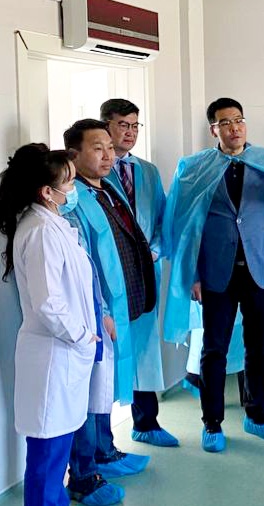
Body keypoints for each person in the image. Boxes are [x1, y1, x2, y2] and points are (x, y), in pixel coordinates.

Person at [162, 97, 264, 454]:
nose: (234, 127)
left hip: (259, 269)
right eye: (225, 122)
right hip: (215, 272)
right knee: (214, 348)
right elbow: (186, 224)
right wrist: (192, 274)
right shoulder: (196, 167)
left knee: (259, 345)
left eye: (239, 120)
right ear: (213, 129)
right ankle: (212, 423)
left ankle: (257, 414)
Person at [0, 144, 123, 506]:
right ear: (47, 192)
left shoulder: (52, 224)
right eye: (69, 182)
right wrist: (83, 336)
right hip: (54, 356)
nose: (74, 188)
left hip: (64, 354)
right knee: (47, 458)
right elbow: (48, 303)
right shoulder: (40, 231)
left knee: (55, 454)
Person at [64, 119, 160, 494]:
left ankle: (105, 452)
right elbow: (82, 263)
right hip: (96, 313)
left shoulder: (107, 188)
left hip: (124, 302)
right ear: (73, 154)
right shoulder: (73, 200)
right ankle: (84, 471)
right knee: (92, 391)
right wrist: (101, 311)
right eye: (97, 148)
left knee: (105, 387)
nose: (108, 155)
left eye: (109, 147)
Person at [99, 99, 177, 448]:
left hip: (145, 271)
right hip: (111, 274)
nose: (129, 132)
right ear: (106, 126)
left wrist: (155, 250)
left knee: (144, 346)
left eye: (134, 126)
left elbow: (162, 218)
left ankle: (146, 422)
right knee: (110, 350)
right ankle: (102, 441)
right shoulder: (94, 172)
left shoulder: (146, 171)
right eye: (122, 125)